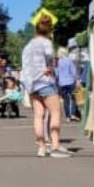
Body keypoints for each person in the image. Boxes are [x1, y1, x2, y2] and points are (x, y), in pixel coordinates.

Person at [22, 17, 69, 158]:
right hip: (45, 82)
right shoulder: (47, 43)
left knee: (38, 116)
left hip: (32, 84)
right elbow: (51, 62)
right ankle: (55, 145)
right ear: (49, 30)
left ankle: (41, 147)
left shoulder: (28, 45)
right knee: (56, 112)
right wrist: (51, 68)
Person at [55, 48, 80, 121]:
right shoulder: (69, 61)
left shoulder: (57, 62)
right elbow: (73, 72)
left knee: (66, 100)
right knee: (74, 98)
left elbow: (56, 74)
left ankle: (67, 117)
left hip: (61, 84)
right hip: (71, 82)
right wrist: (77, 80)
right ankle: (73, 113)